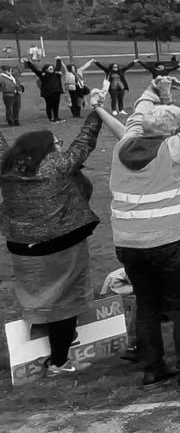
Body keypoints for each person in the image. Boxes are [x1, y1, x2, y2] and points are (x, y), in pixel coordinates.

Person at [104, 72, 180, 387]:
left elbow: (137, 116)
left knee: (147, 303)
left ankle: (153, 367)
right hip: (169, 239)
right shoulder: (174, 148)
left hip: (128, 243)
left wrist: (152, 89)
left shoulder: (124, 144)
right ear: (171, 132)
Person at [1, 89, 107, 375]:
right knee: (66, 301)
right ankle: (59, 361)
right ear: (47, 149)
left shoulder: (6, 167)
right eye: (57, 143)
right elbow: (84, 141)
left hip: (21, 247)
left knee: (41, 297)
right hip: (61, 246)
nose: (60, 146)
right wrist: (96, 110)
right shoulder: (57, 166)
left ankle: (53, 345)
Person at [22, 58, 64, 123]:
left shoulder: (55, 73)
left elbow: (58, 67)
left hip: (57, 92)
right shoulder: (42, 74)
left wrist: (58, 60)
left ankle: (56, 117)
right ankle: (51, 118)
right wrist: (28, 62)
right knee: (49, 105)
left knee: (56, 105)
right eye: (50, 68)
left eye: (52, 68)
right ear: (46, 69)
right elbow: (34, 69)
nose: (52, 69)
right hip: (48, 93)